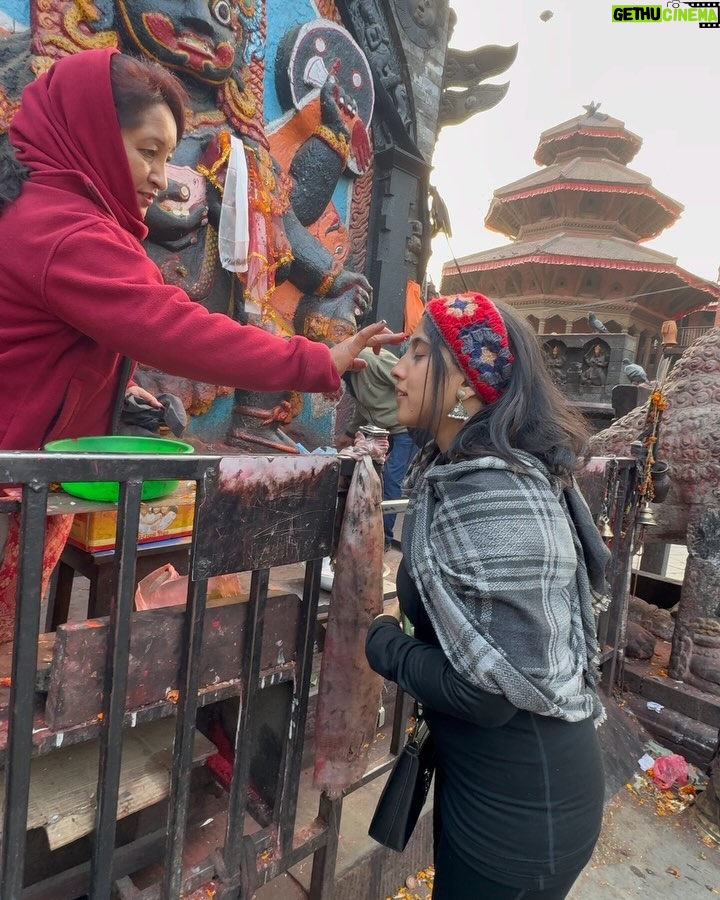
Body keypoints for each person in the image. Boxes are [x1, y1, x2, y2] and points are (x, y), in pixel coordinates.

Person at [0, 48, 403, 639]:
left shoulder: (52, 213)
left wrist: (122, 391)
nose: (161, 178)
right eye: (147, 152)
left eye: (166, 157)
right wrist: (318, 359)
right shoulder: (67, 231)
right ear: (89, 133)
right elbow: (176, 329)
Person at [366, 292, 610, 899]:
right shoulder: (464, 469)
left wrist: (382, 642)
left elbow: (487, 693)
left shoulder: (489, 493)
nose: (399, 368)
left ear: (467, 389)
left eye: (420, 354)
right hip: (496, 790)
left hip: (521, 821)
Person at [341, 347, 417, 550]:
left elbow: (407, 381)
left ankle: (383, 539)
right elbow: (363, 408)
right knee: (374, 476)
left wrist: (416, 414)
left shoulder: (368, 359)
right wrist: (348, 434)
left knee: (393, 479)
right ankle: (370, 535)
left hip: (405, 428)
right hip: (384, 431)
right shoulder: (350, 378)